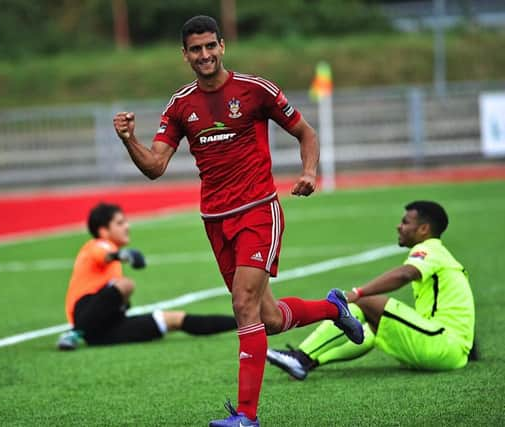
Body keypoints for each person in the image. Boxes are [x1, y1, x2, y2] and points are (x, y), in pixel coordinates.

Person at [112, 15, 363, 427]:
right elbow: (155, 165)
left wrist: (308, 172)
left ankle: (246, 417)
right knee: (269, 319)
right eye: (196, 49)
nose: (205, 54)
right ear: (185, 54)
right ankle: (333, 308)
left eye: (211, 46)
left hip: (259, 210)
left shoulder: (255, 89)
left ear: (222, 46)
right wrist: (129, 140)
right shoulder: (179, 105)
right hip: (215, 219)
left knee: (242, 304)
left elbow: (306, 133)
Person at [267, 201, 477, 381]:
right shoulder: (441, 254)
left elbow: (404, 274)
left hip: (443, 345)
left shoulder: (431, 249)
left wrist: (359, 292)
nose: (399, 226)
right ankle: (309, 361)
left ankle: (300, 357)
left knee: (364, 303)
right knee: (366, 331)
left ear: (423, 229)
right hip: (449, 350)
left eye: (405, 222)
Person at [56, 202, 237, 350]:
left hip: (104, 330)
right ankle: (74, 332)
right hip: (84, 313)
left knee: (173, 320)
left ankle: (244, 324)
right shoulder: (98, 245)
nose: (127, 226)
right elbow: (104, 255)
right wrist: (124, 255)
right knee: (125, 285)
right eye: (120, 223)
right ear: (103, 231)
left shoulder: (110, 254)